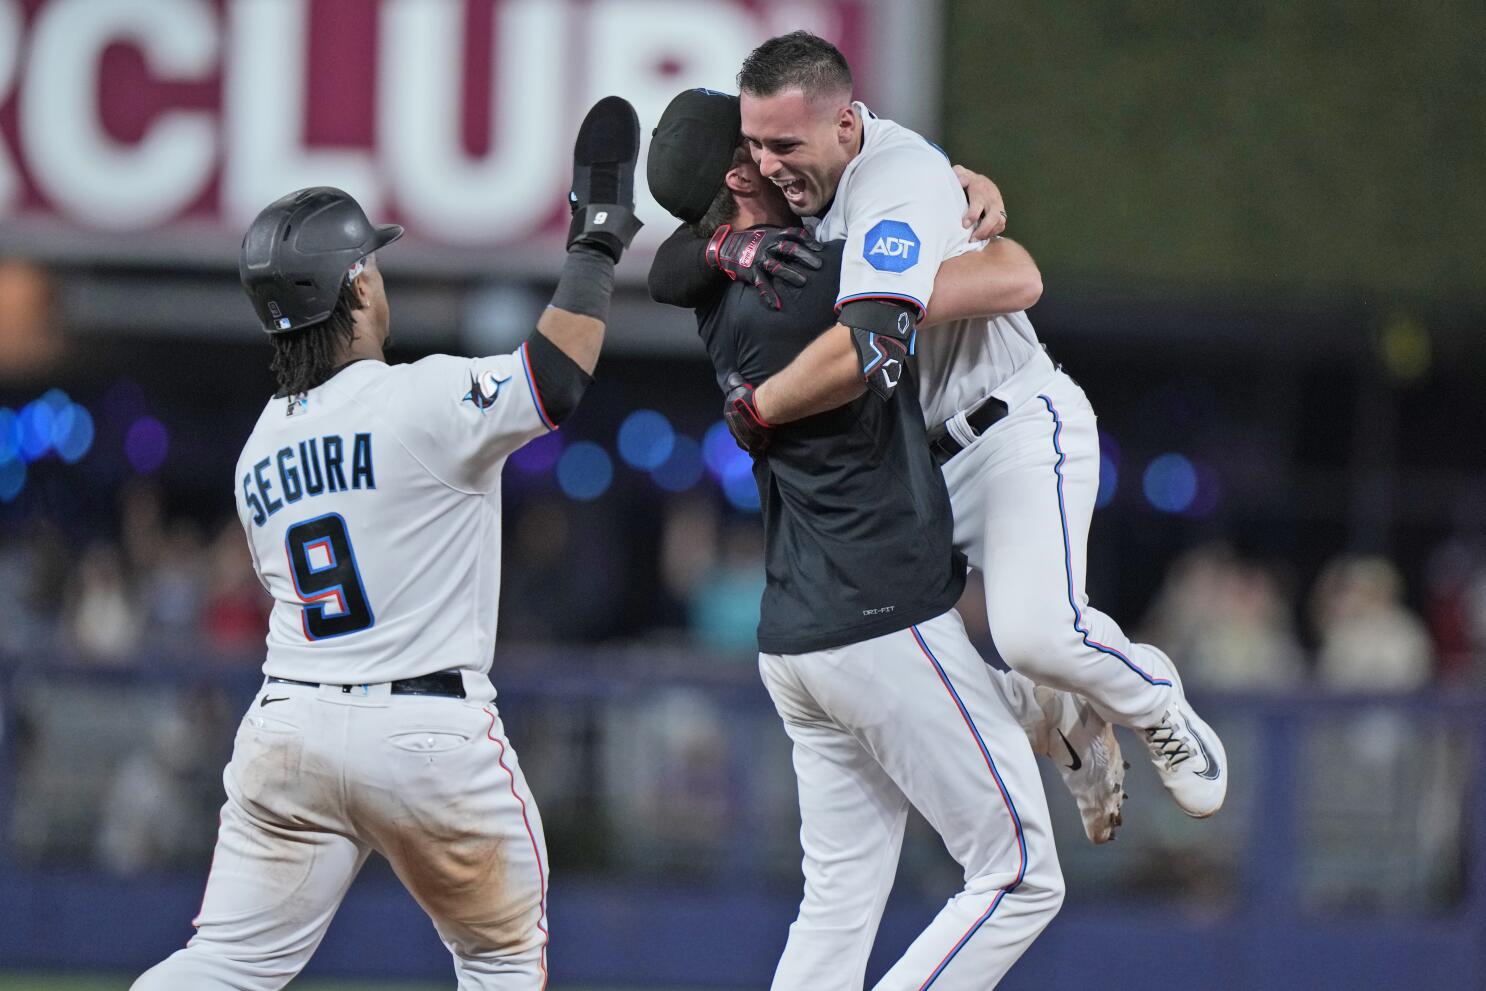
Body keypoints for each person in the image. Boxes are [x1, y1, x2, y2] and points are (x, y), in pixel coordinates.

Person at [130, 96, 644, 991]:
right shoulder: (418, 399)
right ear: (358, 284)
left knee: (223, 964)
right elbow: (554, 377)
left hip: (288, 722)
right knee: (501, 958)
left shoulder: (260, 447)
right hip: (425, 730)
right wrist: (596, 239)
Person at [654, 31, 1227, 821]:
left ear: (847, 125)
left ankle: (1157, 701)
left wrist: (762, 407)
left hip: (1012, 427)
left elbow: (968, 298)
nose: (768, 161)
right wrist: (724, 243)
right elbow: (666, 268)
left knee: (1035, 636)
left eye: (782, 143)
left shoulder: (898, 180)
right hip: (921, 464)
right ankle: (1063, 722)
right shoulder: (804, 193)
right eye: (754, 145)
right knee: (911, 667)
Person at [648, 87, 1123, 991]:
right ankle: (1046, 710)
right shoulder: (811, 278)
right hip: (877, 612)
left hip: (794, 632)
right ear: (740, 173)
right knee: (1019, 874)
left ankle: (1043, 711)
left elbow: (672, 260)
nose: (778, 158)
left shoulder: (714, 283)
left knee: (834, 905)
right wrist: (954, 198)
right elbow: (1017, 276)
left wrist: (720, 238)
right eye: (756, 149)